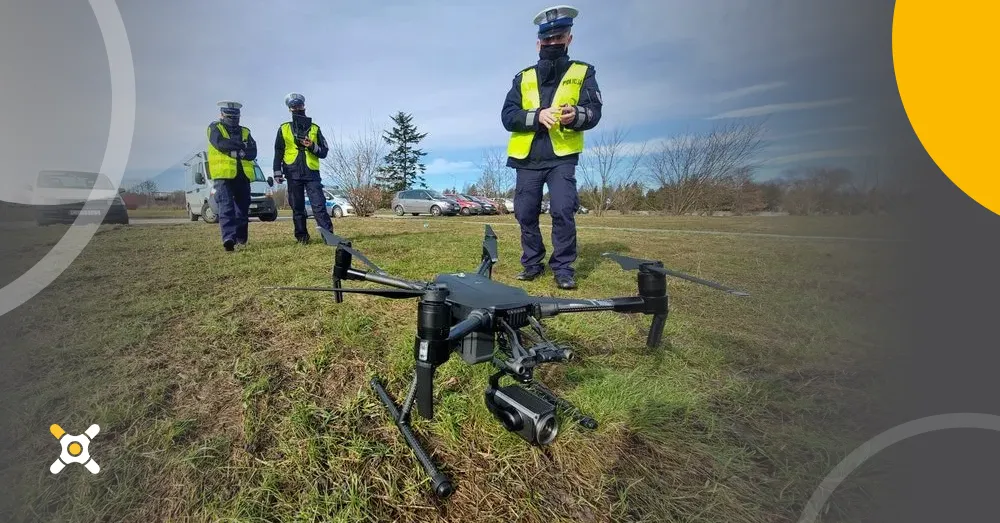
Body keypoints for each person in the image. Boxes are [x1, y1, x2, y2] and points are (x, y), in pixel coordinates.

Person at [501, 5, 602, 290]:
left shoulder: (583, 72)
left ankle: (563, 268)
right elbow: (508, 116)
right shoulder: (522, 77)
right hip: (527, 157)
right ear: (538, 43)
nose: (553, 43)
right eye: (547, 40)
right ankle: (532, 264)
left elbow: (594, 111)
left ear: (569, 38)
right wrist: (535, 117)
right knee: (524, 213)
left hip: (561, 157)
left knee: (562, 209)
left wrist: (577, 116)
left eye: (559, 38)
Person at [273, 92, 333, 244]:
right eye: (293, 107)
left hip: (312, 173)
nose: (297, 108)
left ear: (304, 106)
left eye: (299, 105)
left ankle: (329, 237)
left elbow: (324, 152)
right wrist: (277, 173)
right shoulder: (284, 128)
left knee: (319, 205)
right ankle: (302, 238)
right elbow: (278, 151)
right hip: (292, 172)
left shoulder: (315, 128)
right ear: (289, 109)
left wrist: (312, 145)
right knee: (297, 208)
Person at [206, 101, 258, 252]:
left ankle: (241, 239)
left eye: (236, 116)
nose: (233, 118)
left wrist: (235, 149)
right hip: (223, 176)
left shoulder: (246, 131)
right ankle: (229, 239)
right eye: (229, 115)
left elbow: (253, 152)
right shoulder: (214, 128)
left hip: (243, 175)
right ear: (222, 114)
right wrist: (242, 147)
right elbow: (221, 144)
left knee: (242, 208)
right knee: (226, 207)